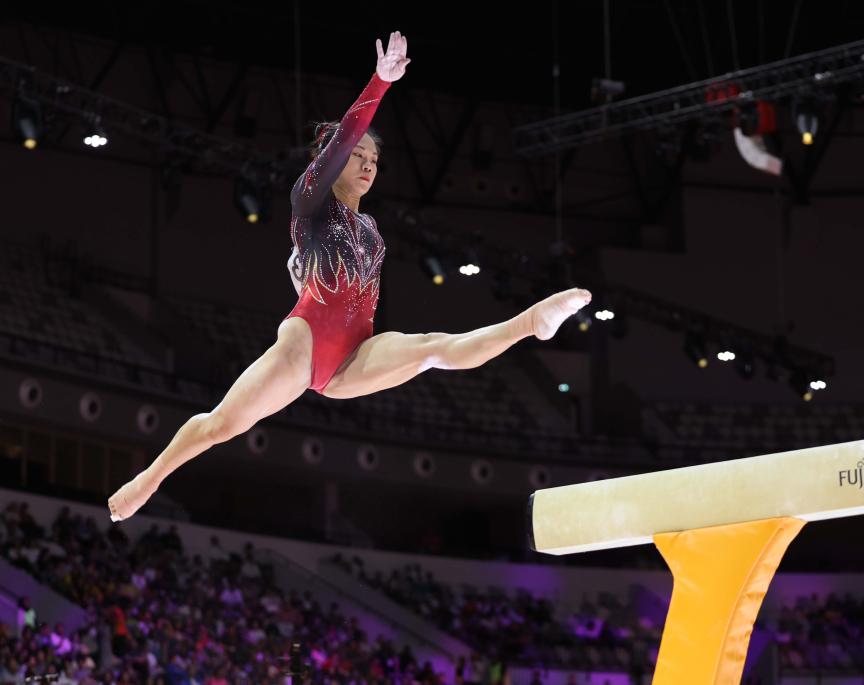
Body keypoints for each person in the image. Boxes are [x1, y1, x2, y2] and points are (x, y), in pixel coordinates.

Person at [106, 30, 591, 522]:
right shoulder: (309, 201)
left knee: (432, 349)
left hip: (354, 355)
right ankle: (149, 479)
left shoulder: (373, 229)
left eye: (374, 161)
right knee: (221, 426)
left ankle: (531, 322)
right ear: (332, 160)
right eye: (358, 156)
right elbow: (341, 143)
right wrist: (380, 83)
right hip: (305, 346)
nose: (367, 165)